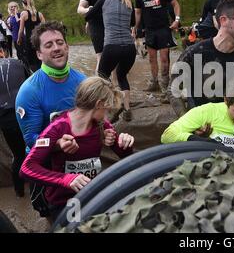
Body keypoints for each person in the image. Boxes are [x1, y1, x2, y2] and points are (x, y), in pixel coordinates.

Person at [20, 76, 134, 221]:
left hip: (91, 195)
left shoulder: (102, 125)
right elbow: (27, 168)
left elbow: (126, 156)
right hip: (62, 201)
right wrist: (65, 179)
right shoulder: (57, 127)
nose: (107, 115)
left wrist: (125, 143)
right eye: (107, 109)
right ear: (99, 104)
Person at [15, 21, 86, 217]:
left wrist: (110, 135)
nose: (56, 48)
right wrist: (57, 144)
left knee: (87, 214)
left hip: (80, 160)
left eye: (60, 42)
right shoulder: (30, 91)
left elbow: (95, 121)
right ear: (39, 54)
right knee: (55, 219)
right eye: (48, 45)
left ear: (67, 46)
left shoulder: (83, 82)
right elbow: (30, 139)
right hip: (45, 166)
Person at [167, 0, 234, 117]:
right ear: (224, 20)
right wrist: (187, 121)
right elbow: (173, 90)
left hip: (231, 127)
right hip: (199, 124)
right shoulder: (195, 52)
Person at [85, 0, 136, 121]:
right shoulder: (128, 2)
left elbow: (88, 16)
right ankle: (127, 109)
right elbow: (132, 23)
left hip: (112, 46)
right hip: (130, 48)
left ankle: (113, 105)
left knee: (101, 77)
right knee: (122, 76)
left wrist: (92, 8)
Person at [134, 0, 181, 97]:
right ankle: (154, 82)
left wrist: (177, 20)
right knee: (152, 59)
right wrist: (136, 29)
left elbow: (176, 4)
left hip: (163, 30)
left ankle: (165, 86)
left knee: (164, 59)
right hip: (149, 31)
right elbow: (137, 13)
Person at [0, 43, 30, 197]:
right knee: (34, 148)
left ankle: (19, 192)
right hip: (26, 112)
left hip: (7, 119)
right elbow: (31, 84)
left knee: (18, 155)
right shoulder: (17, 62)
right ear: (3, 52)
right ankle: (38, 185)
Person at [77, 0, 114, 72]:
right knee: (101, 57)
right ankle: (99, 87)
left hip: (112, 26)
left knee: (114, 58)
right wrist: (89, 9)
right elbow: (79, 9)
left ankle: (115, 88)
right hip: (96, 25)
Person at [17, 0, 45, 72]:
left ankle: (34, 75)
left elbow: (21, 30)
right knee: (39, 57)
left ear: (23, 4)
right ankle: (42, 72)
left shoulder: (24, 14)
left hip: (29, 40)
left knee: (30, 59)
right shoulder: (40, 14)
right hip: (38, 39)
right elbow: (45, 28)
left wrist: (19, 39)